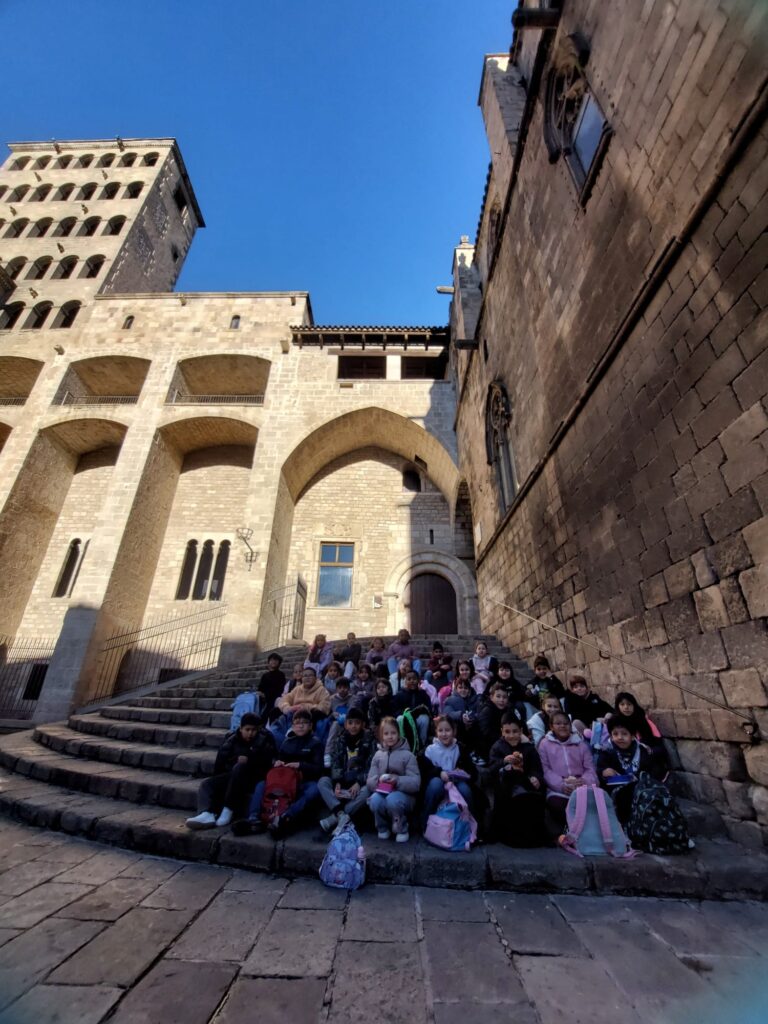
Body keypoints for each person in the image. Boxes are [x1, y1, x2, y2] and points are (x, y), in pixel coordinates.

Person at [236, 709, 324, 836]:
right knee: (261, 785)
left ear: (310, 726)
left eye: (304, 723)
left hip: (303, 781)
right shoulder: (287, 742)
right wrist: (277, 762)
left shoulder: (316, 743)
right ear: (292, 726)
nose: (300, 726)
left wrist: (300, 765)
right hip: (285, 780)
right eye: (297, 723)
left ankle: (286, 816)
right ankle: (253, 818)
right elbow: (278, 759)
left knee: (314, 789)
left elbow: (318, 768)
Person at [186, 712, 275, 830]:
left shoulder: (264, 740)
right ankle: (206, 813)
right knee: (207, 784)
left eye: (253, 730)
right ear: (241, 728)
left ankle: (228, 809)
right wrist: (234, 761)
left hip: (252, 777)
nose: (250, 733)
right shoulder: (231, 740)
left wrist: (249, 761)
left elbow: (267, 763)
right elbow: (221, 763)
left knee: (240, 767)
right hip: (232, 775)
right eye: (247, 729)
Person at [485, 713, 547, 847]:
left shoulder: (529, 748)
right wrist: (504, 762)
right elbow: (491, 770)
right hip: (505, 787)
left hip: (526, 783)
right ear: (502, 732)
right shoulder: (497, 747)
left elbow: (537, 768)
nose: (511, 735)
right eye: (507, 732)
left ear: (521, 731)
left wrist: (536, 778)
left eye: (515, 731)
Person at [596, 715, 667, 825]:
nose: (620, 737)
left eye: (624, 734)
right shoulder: (607, 751)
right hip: (618, 792)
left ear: (633, 736)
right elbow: (599, 769)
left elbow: (653, 770)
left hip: (642, 789)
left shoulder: (642, 750)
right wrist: (603, 772)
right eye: (615, 734)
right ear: (611, 736)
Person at [318, 707, 375, 832]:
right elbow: (336, 762)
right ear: (345, 725)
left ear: (363, 724)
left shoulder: (370, 740)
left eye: (357, 723)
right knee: (323, 782)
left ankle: (337, 817)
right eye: (350, 723)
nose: (353, 726)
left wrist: (359, 782)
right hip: (343, 779)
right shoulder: (341, 739)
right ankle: (340, 814)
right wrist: (337, 782)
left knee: (368, 790)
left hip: (359, 782)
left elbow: (372, 766)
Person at [538, 710, 598, 828]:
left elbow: (590, 768)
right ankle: (570, 831)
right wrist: (561, 785)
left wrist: (583, 781)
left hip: (581, 786)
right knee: (559, 806)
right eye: (558, 723)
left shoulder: (580, 744)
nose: (562, 726)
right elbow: (545, 769)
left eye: (566, 723)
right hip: (558, 790)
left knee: (592, 805)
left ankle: (588, 831)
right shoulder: (544, 744)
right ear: (551, 726)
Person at [367, 717, 421, 842]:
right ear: (381, 736)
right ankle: (382, 827)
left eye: (393, 733)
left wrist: (397, 780)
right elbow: (370, 780)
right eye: (386, 734)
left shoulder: (408, 755)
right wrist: (379, 781)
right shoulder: (378, 755)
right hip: (383, 791)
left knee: (393, 800)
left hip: (404, 795)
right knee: (374, 800)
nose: (390, 737)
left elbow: (415, 783)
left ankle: (402, 828)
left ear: (398, 733)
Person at [420, 716, 477, 831]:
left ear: (454, 731)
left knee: (465, 790)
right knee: (435, 785)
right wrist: (439, 772)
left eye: (447, 730)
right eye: (440, 730)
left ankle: (471, 824)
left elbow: (471, 771)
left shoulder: (459, 748)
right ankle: (425, 822)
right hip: (438, 782)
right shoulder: (430, 750)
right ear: (436, 732)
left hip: (456, 782)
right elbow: (425, 770)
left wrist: (460, 772)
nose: (444, 734)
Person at [475, 682, 524, 765]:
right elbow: (486, 734)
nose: (501, 700)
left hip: (505, 739)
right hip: (488, 746)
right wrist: (506, 738)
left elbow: (518, 724)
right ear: (491, 697)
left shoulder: (509, 710)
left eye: (504, 697)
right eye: (498, 696)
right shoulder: (486, 711)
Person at [392, 669, 433, 748]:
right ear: (405, 681)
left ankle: (422, 744)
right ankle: (401, 743)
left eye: (414, 679)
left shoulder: (423, 694)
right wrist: (407, 714)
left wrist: (420, 711)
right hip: (405, 719)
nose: (412, 681)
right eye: (409, 679)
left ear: (418, 680)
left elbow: (428, 709)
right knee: (399, 718)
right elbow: (395, 710)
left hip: (418, 719)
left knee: (424, 718)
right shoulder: (399, 695)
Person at [324, 675, 352, 764]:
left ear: (349, 688)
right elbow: (327, 714)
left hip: (349, 721)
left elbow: (354, 711)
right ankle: (327, 754)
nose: (342, 690)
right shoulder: (332, 699)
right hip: (336, 723)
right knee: (335, 726)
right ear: (336, 689)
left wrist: (346, 716)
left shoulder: (353, 698)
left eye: (345, 687)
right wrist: (333, 715)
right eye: (340, 688)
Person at [442, 674, 479, 742]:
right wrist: (461, 715)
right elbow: (448, 713)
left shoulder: (476, 700)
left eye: (465, 688)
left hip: (473, 730)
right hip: (458, 732)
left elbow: (479, 713)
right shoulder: (450, 700)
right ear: (456, 689)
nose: (463, 690)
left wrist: (472, 718)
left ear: (469, 690)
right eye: (460, 687)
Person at [258, 653, 286, 719]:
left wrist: (266, 695)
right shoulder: (265, 675)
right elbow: (260, 688)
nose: (274, 662)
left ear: (279, 662)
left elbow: (280, 689)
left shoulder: (281, 675)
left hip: (274, 699)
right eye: (272, 660)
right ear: (269, 662)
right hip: (264, 699)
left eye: (276, 660)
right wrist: (260, 693)